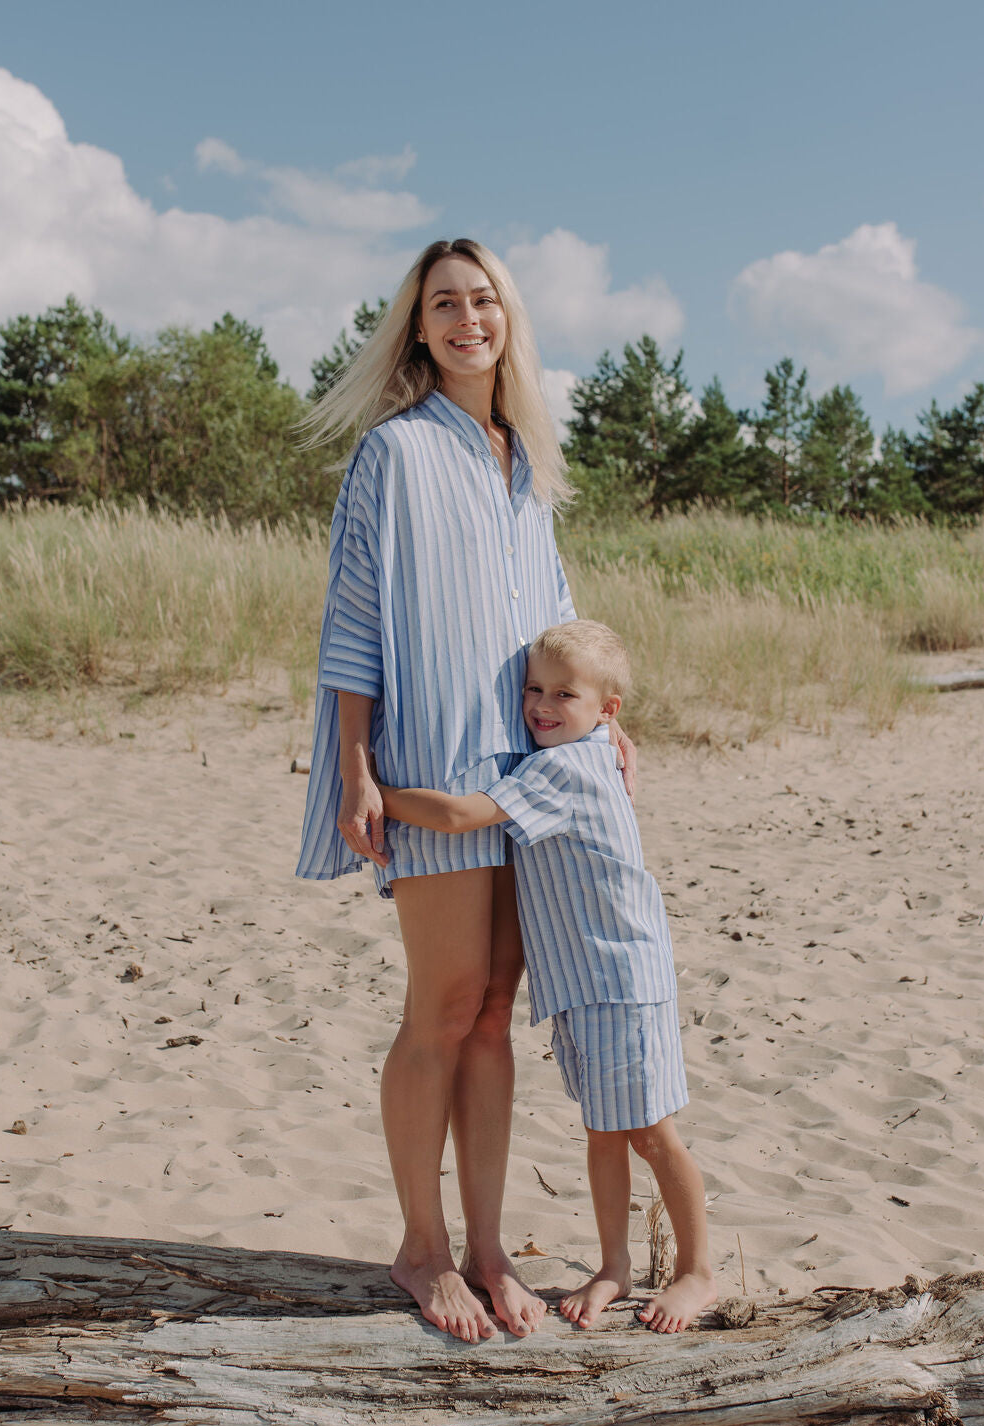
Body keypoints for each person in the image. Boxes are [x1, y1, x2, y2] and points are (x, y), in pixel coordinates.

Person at [296, 239, 636, 1343]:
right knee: (442, 1006)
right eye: (443, 303)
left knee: (495, 1012)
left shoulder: (527, 459)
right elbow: (352, 624)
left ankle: (490, 1248)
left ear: (506, 317)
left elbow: (562, 607)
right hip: (433, 760)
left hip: (532, 767)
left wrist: (604, 725)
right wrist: (355, 768)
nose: (465, 318)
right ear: (418, 328)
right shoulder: (392, 455)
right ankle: (421, 1247)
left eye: (481, 299)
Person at [376, 620, 716, 1333]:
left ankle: (696, 1272)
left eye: (565, 694)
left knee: (653, 1133)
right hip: (590, 984)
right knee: (604, 1130)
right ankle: (615, 1267)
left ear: (608, 710)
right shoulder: (580, 752)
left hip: (618, 979)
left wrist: (380, 792)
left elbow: (464, 814)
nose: (542, 705)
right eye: (533, 689)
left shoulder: (563, 769)